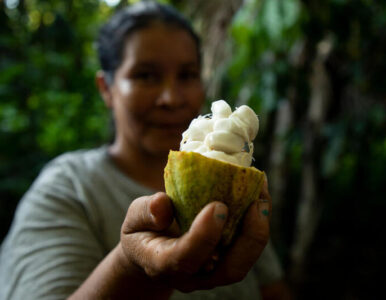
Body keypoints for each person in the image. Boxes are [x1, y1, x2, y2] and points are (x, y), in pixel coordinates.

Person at [0, 2, 288, 299]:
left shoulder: (236, 187)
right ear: (106, 89)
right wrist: (129, 266)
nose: (171, 98)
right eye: (146, 76)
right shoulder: (68, 188)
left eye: (187, 75)